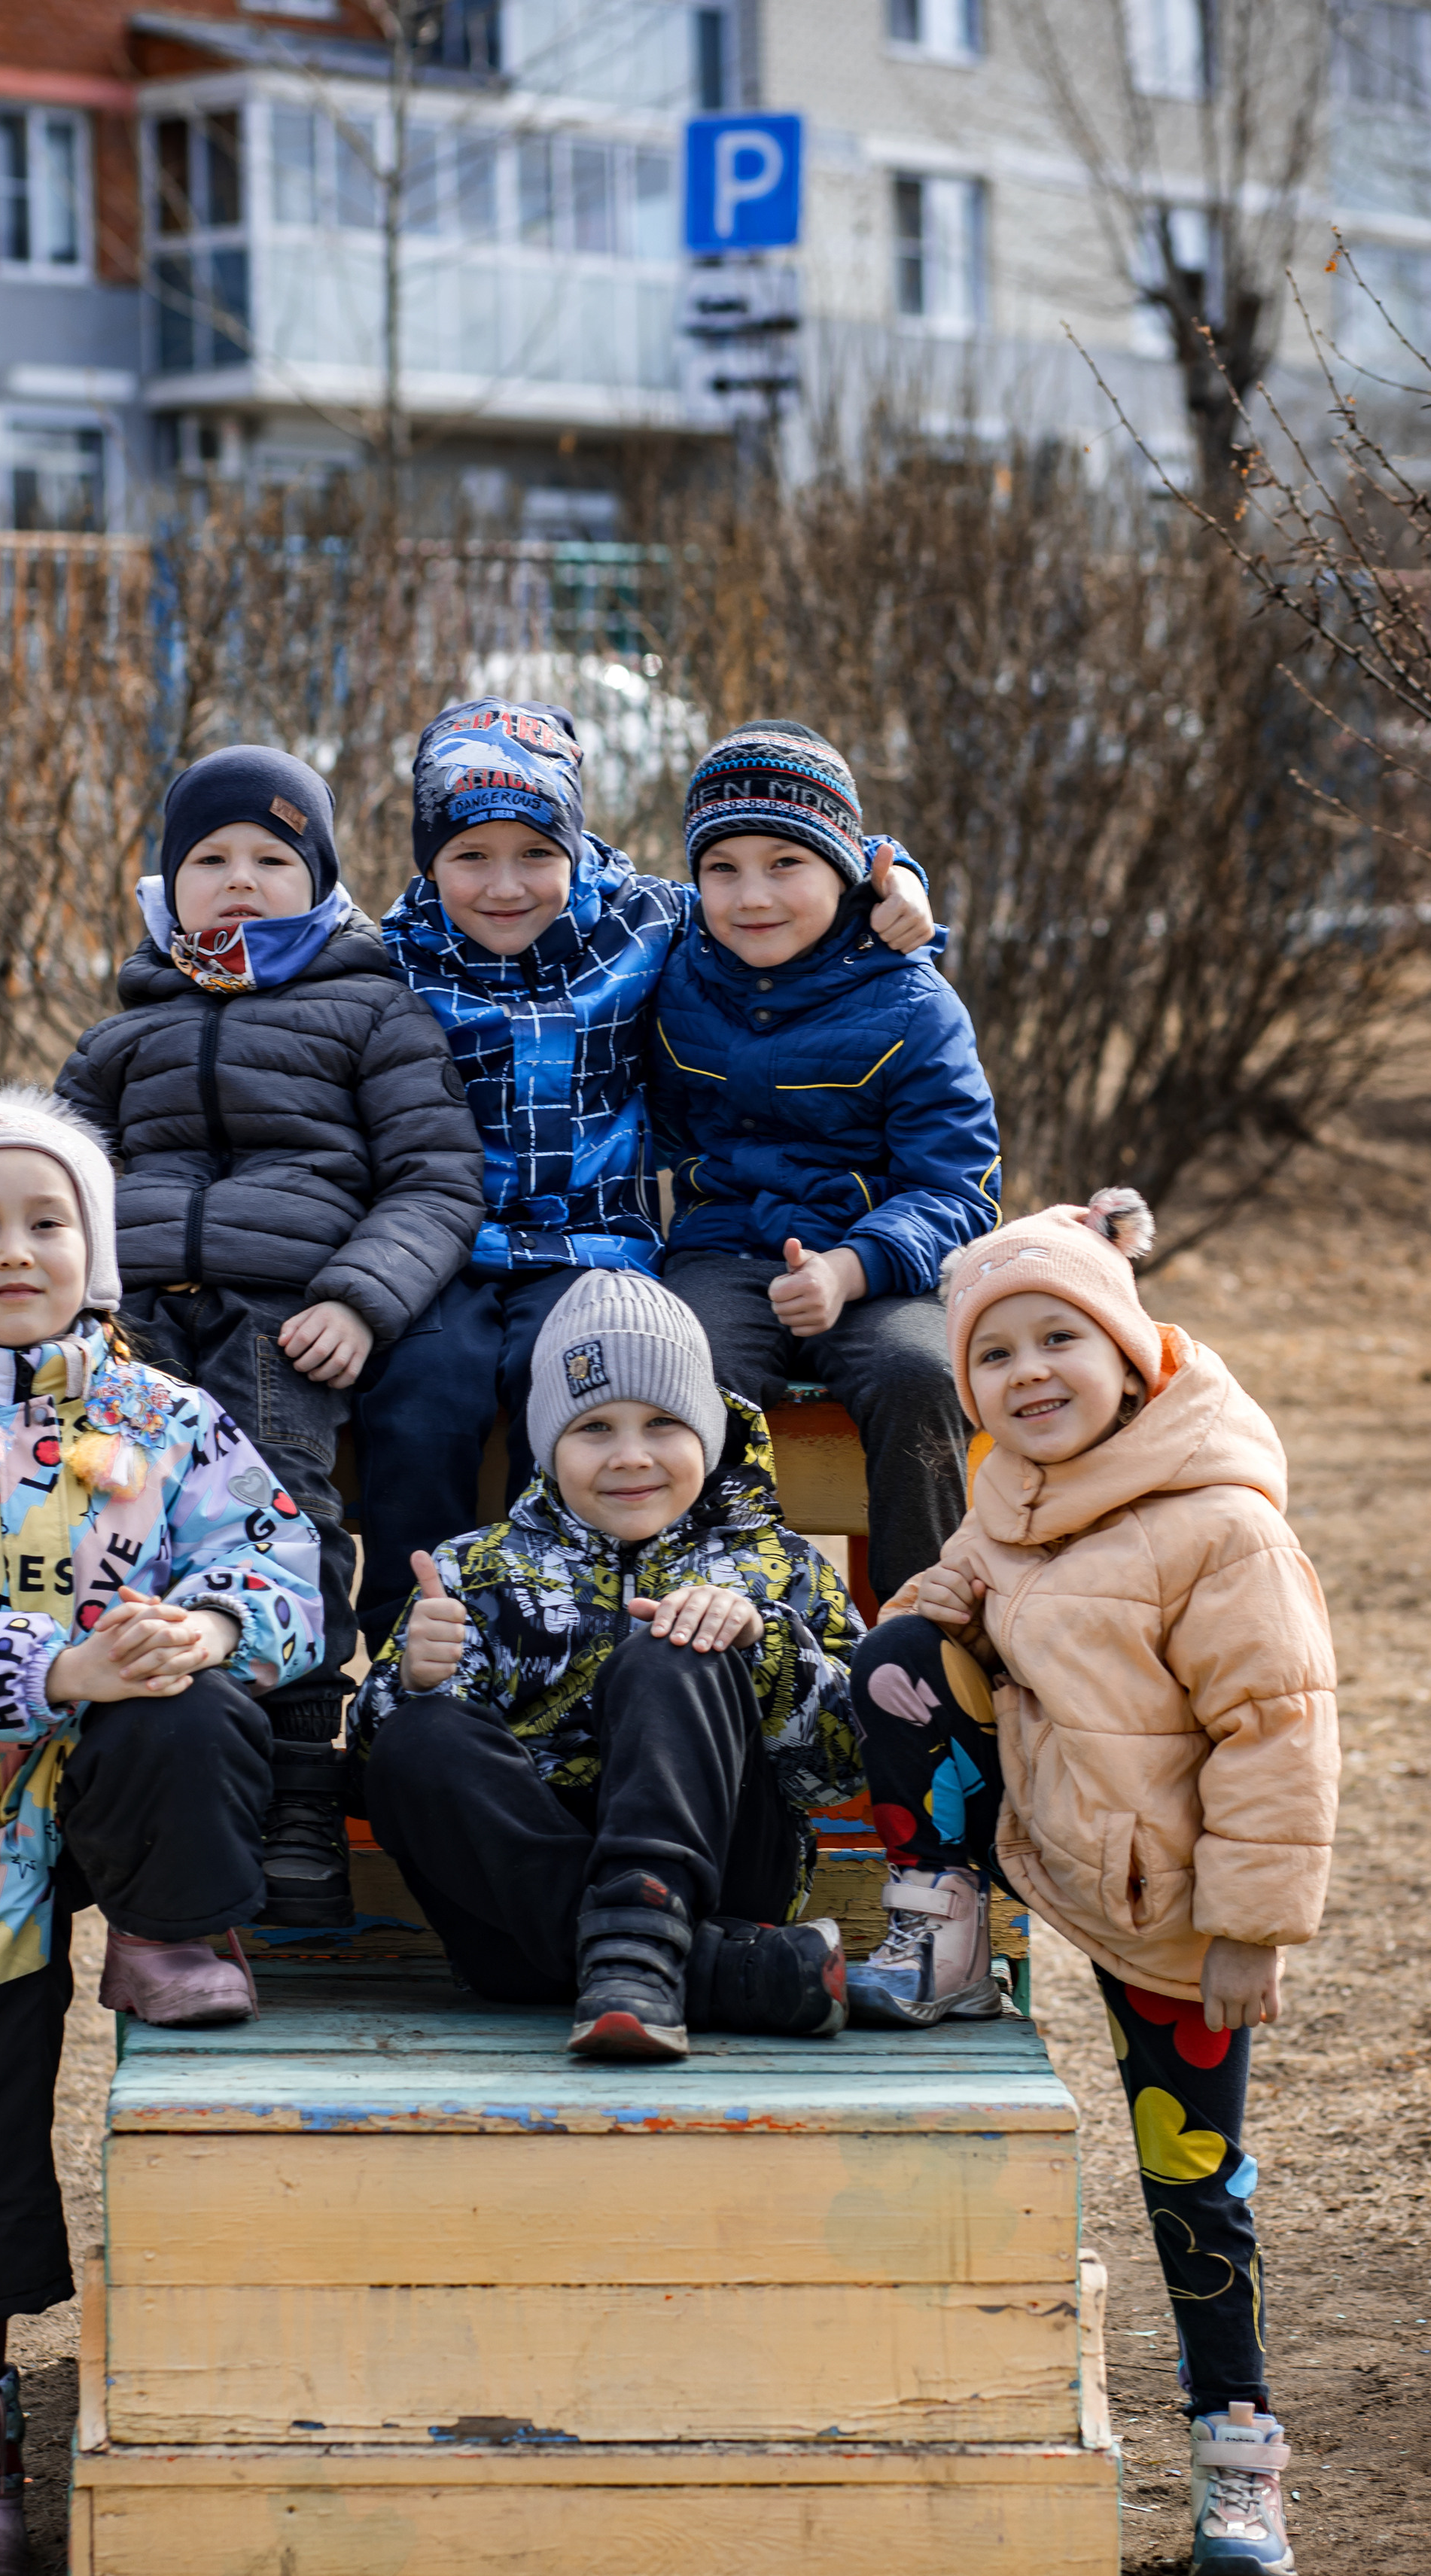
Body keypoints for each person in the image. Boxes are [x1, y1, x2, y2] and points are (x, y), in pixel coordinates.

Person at [0, 1086, 324, 2576]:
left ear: (92, 1249)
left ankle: (170, 1933)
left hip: (132, 1788)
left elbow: (279, 1560)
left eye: (46, 1221)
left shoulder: (169, 1419)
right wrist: (46, 1668)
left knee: (185, 1706)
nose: (13, 1247)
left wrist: (206, 1619)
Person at [848, 1188, 1338, 2576]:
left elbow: (1277, 1725)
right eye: (992, 1358)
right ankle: (936, 1933)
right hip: (1041, 1828)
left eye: (1060, 1338)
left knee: (1192, 2180)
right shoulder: (1010, 1489)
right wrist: (888, 1630)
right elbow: (955, 1588)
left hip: (1169, 1906)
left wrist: (1250, 1926)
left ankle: (1234, 2459)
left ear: (1130, 1354)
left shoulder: (1219, 1529)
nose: (1027, 1376)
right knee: (890, 1655)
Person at [353, 697, 935, 1654]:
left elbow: (778, 859)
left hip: (594, 1251)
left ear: (577, 846)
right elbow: (282, 936)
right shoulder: (389, 957)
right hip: (441, 1249)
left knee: (577, 1384)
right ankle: (415, 1650)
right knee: (424, 1386)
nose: (505, 885)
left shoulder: (644, 920)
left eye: (536, 853)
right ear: (427, 863)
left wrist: (896, 877)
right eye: (468, 857)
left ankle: (564, 1644)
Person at [56, 744, 483, 1930]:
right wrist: (68, 1306)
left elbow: (436, 1178)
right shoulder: (119, 1034)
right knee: (105, 1505)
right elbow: (54, 1184)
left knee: (282, 1510)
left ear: (321, 878)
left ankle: (300, 1779)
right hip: (129, 1317)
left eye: (269, 857)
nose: (238, 879)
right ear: (165, 881)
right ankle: (141, 1758)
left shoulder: (369, 1009)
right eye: (209, 858)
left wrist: (358, 1297)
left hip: (283, 1310)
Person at [352, 1269, 866, 2063]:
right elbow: (394, 1780)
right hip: (518, 1912)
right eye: (594, 1428)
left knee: (675, 1647)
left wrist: (762, 1646)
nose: (631, 1456)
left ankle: (646, 1940)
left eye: (663, 1422)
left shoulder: (777, 1566)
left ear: (710, 1430)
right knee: (420, 1737)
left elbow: (845, 1764)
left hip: (720, 1868)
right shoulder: (475, 1569)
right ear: (548, 1441)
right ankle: (702, 1968)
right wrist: (413, 1682)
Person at [652, 718, 1003, 1612]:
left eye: (785, 863)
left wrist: (854, 1266)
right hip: (723, 1253)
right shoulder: (673, 966)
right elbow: (572, 874)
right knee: (676, 1369)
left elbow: (957, 1187)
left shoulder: (912, 999)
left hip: (879, 1263)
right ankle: (711, 1616)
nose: (751, 895)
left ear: (845, 872)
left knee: (918, 1373)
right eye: (721, 868)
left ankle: (924, 1628)